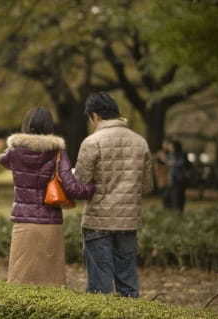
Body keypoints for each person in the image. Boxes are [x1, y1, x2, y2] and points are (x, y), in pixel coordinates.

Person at [0, 107, 95, 287]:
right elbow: (72, 188)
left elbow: (2, 159)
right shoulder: (57, 152)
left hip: (23, 222)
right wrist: (92, 189)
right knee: (51, 283)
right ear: (50, 126)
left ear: (26, 125)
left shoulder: (14, 152)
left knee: (19, 282)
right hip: (50, 223)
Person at [75, 92, 153, 298]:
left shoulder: (92, 142)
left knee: (100, 287)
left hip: (97, 220)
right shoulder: (140, 142)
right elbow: (147, 186)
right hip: (128, 222)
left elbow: (80, 184)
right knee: (128, 283)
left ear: (95, 116)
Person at [164, 140, 191, 213]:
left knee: (179, 196)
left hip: (180, 179)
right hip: (172, 179)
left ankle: (179, 211)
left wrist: (171, 163)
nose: (169, 147)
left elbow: (181, 163)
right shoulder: (170, 154)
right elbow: (167, 163)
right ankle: (172, 211)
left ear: (175, 147)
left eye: (171, 146)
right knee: (169, 196)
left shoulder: (182, 154)